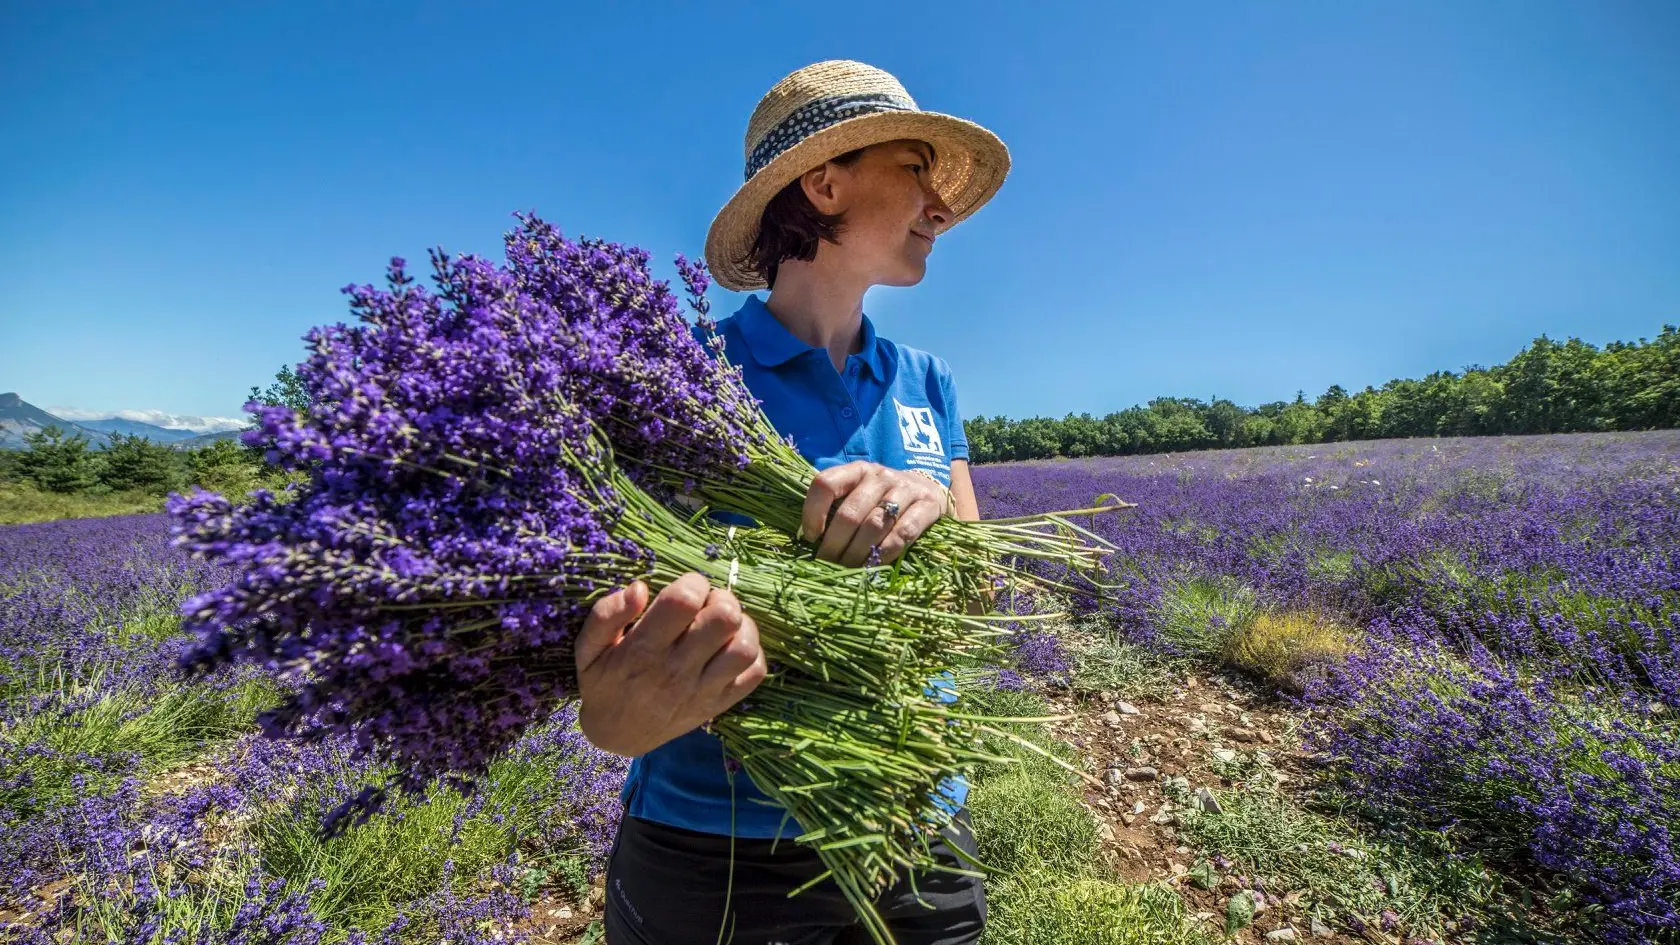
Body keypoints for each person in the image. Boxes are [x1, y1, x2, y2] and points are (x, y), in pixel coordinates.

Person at [575, 59, 1010, 945]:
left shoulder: (927, 381)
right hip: (721, 852)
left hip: (922, 820)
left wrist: (928, 503)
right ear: (824, 182)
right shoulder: (682, 383)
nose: (941, 208)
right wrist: (609, 718)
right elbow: (610, 650)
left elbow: (982, 598)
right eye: (917, 171)